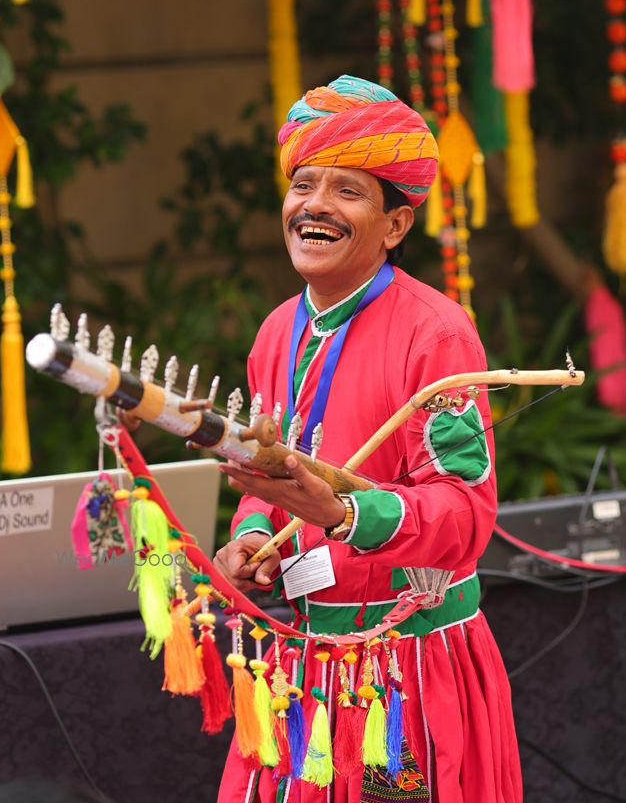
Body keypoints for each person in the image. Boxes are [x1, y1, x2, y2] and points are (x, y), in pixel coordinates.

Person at [213, 75, 522, 803]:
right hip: (304, 660)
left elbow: (465, 515)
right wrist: (251, 536)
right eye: (303, 185)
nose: (314, 206)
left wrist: (343, 515)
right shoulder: (274, 332)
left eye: (346, 191)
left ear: (395, 225)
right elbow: (266, 482)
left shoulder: (435, 334)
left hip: (409, 668)